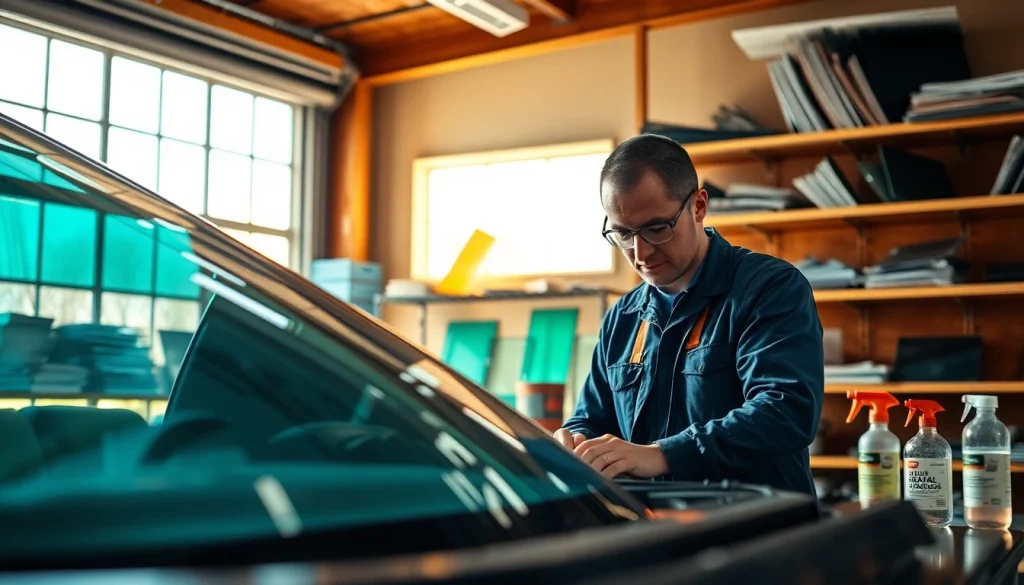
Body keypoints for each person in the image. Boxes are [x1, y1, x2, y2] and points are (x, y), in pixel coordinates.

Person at [554, 134, 824, 495]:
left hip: (757, 533)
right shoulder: (623, 317)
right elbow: (591, 417)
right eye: (622, 234)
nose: (640, 252)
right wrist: (575, 442)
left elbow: (786, 411)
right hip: (654, 531)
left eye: (656, 228)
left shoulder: (770, 289)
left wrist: (663, 454)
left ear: (698, 206)